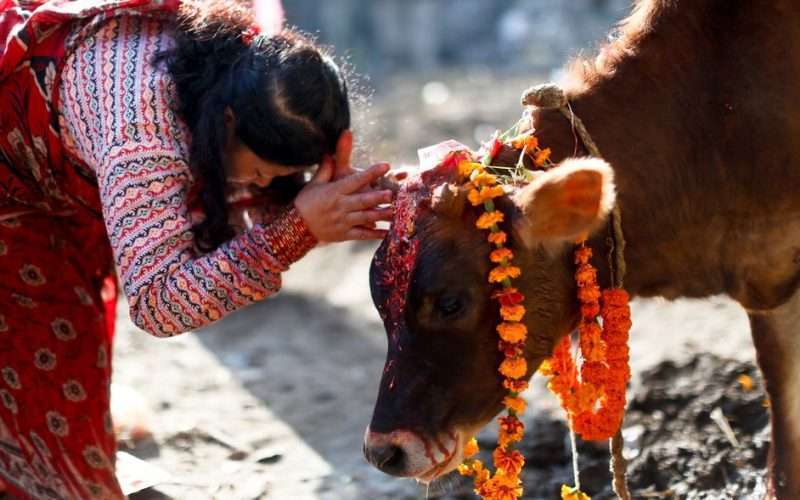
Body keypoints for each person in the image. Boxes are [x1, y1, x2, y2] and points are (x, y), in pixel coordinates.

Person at [0, 0, 393, 497]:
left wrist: (336, 192)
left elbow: (241, 198)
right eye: (259, 171)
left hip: (57, 187)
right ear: (225, 121)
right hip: (14, 206)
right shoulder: (142, 134)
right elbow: (158, 302)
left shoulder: (247, 62)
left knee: (64, 409)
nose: (263, 184)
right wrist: (297, 230)